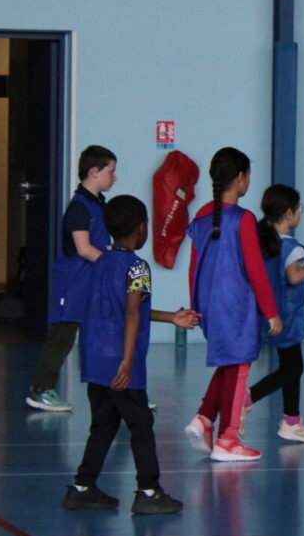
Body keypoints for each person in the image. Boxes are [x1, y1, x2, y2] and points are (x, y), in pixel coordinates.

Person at [62, 195, 198, 514]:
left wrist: (172, 317)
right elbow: (132, 313)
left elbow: (123, 307)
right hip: (121, 362)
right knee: (141, 425)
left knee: (104, 424)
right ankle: (149, 491)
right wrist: (126, 361)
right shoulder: (137, 267)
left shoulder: (100, 262)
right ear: (141, 228)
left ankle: (83, 487)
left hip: (95, 359)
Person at [182, 148, 282, 462]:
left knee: (228, 362)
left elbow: (193, 267)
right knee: (239, 368)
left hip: (209, 304)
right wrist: (271, 311)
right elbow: (255, 270)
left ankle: (204, 418)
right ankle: (229, 437)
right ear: (240, 178)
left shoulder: (201, 216)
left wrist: (195, 305)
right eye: (248, 175)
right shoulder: (243, 218)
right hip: (235, 305)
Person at [27, 145, 116, 412]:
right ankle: (41, 389)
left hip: (94, 283)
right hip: (74, 283)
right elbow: (84, 249)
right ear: (94, 171)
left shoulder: (99, 205)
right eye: (111, 171)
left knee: (108, 334)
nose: (114, 177)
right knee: (62, 336)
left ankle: (121, 389)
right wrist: (113, 264)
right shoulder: (79, 208)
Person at [242, 185, 304, 443]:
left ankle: (292, 420)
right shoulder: (292, 247)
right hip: (287, 317)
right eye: (299, 209)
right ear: (289, 213)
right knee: (293, 368)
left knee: (291, 366)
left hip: (266, 314)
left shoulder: (263, 242)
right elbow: (293, 276)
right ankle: (247, 398)